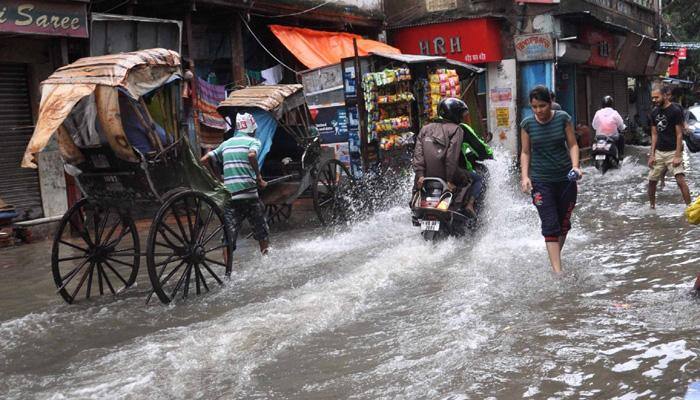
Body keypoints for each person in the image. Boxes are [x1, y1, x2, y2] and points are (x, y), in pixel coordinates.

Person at [520, 85, 582, 274]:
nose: (539, 111)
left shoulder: (563, 118)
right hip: (541, 181)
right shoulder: (527, 124)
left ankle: (555, 258)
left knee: (563, 223)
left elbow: (572, 145)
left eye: (542, 106)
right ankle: (558, 272)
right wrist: (525, 176)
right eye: (534, 107)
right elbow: (525, 152)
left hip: (565, 179)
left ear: (550, 104)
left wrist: (576, 166)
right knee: (549, 223)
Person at [200, 112, 270, 255]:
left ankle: (228, 273)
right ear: (251, 129)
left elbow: (204, 160)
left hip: (230, 197)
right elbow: (251, 155)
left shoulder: (225, 144)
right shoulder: (254, 142)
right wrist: (259, 178)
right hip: (249, 195)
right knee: (261, 231)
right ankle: (266, 257)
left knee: (228, 236)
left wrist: (218, 178)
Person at [413, 98, 472, 214]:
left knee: (416, 188)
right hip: (446, 175)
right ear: (454, 114)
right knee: (472, 180)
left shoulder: (425, 129)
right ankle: (461, 209)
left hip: (424, 178)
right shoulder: (457, 130)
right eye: (460, 114)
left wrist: (420, 175)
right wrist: (450, 180)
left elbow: (418, 154)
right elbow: (452, 157)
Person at [647, 85, 691, 209]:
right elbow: (654, 134)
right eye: (653, 98)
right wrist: (652, 154)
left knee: (680, 180)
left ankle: (690, 208)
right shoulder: (654, 112)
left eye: (657, 97)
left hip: (673, 151)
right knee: (651, 181)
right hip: (659, 152)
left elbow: (679, 134)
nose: (654, 100)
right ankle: (652, 208)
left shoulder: (675, 110)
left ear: (665, 96)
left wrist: (677, 155)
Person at [459, 108, 494, 216]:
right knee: (479, 178)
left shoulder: (429, 129)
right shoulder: (461, 128)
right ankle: (470, 204)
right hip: (454, 169)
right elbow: (479, 145)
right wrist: (488, 154)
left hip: (431, 171)